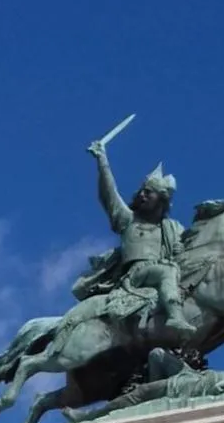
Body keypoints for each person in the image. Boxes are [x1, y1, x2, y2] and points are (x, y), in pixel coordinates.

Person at [80, 140, 193, 333]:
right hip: (136, 274)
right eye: (141, 192)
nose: (142, 195)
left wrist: (181, 249)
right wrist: (102, 161)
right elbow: (109, 194)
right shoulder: (128, 220)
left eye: (148, 193)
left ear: (161, 199)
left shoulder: (173, 228)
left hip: (166, 273)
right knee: (167, 272)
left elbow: (190, 250)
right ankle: (175, 317)